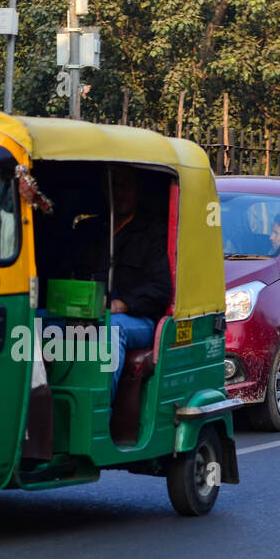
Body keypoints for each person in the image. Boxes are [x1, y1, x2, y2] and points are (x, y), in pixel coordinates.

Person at [107, 165, 172, 397]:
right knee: (36, 322)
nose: (120, 192)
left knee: (111, 330)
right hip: (91, 314)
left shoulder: (152, 233)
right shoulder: (93, 230)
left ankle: (101, 413)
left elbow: (161, 288)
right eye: (115, 186)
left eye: (126, 186)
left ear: (137, 191)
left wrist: (122, 304)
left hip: (139, 320)